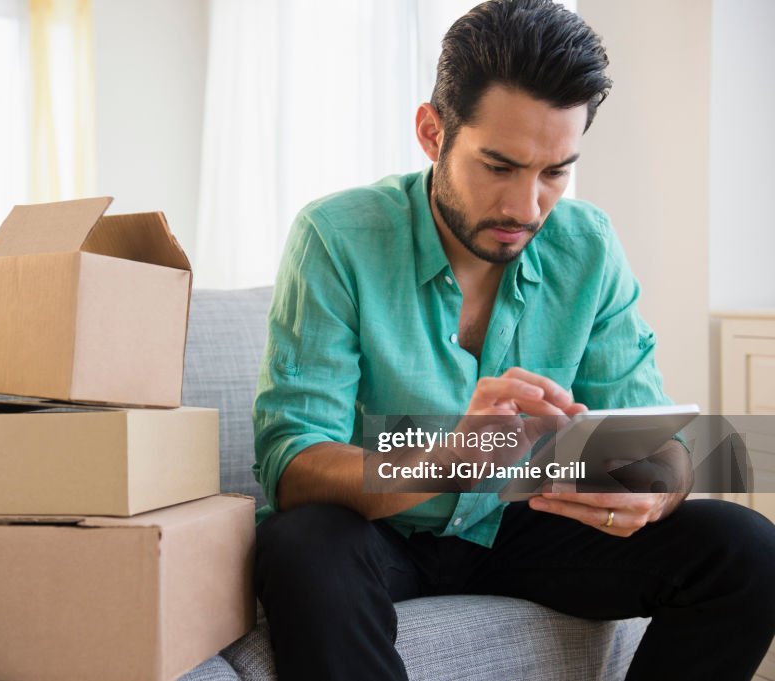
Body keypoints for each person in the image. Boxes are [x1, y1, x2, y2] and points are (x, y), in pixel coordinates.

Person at [251, 1, 775, 679]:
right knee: (302, 544)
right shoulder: (335, 237)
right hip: (382, 532)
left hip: (522, 525)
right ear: (432, 131)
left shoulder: (588, 245)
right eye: (499, 166)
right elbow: (292, 465)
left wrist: (661, 482)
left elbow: (657, 444)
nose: (526, 208)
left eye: (554, 172)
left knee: (746, 549)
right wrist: (447, 458)